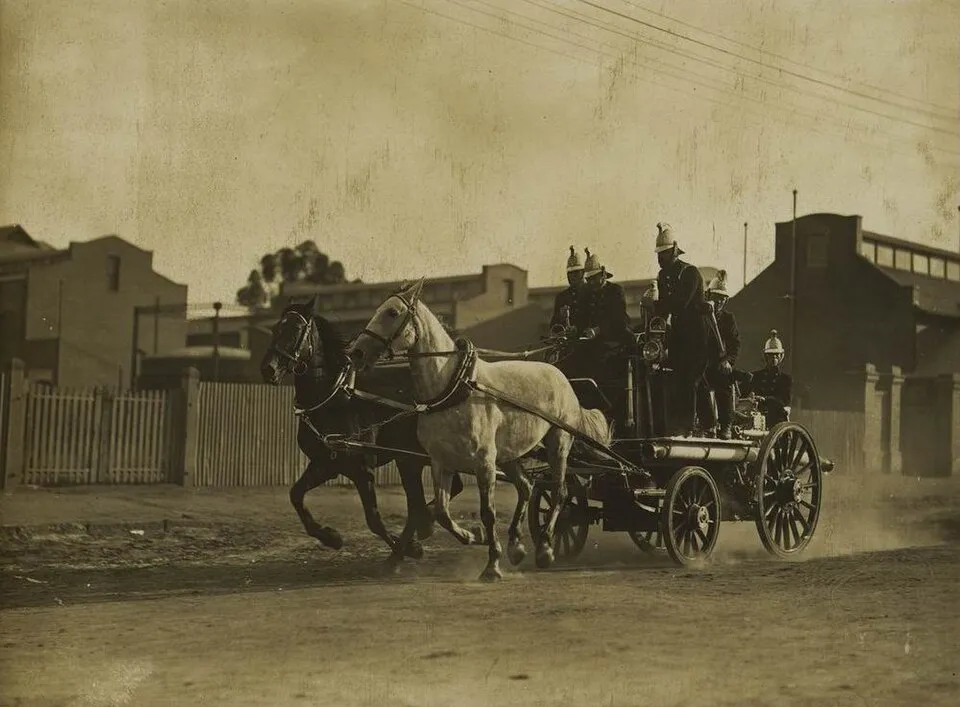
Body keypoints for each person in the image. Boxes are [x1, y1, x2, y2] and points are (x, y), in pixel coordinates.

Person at [641, 222, 711, 437]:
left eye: (664, 253)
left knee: (690, 380)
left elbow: (679, 303)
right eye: (658, 254)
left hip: (697, 336)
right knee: (673, 378)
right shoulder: (663, 277)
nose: (660, 258)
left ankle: (690, 426)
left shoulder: (690, 273)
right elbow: (663, 312)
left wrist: (655, 305)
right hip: (678, 336)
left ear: (675, 250)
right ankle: (683, 424)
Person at [574, 248, 634, 421]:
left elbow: (618, 321)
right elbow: (581, 318)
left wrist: (598, 330)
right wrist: (576, 329)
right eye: (589, 279)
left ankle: (606, 409)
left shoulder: (616, 291)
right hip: (592, 343)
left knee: (602, 364)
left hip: (615, 341)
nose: (591, 283)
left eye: (594, 279)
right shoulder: (585, 293)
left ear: (603, 274)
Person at [696, 270, 741, 439]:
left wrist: (728, 361)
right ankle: (708, 424)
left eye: (723, 298)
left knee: (724, 384)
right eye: (716, 296)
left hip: (721, 364)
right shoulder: (700, 318)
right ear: (709, 295)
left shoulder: (728, 319)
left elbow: (735, 344)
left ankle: (726, 425)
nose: (720, 301)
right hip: (703, 364)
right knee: (696, 383)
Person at [742, 329, 793, 428]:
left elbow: (784, 401)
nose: (774, 358)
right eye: (770, 355)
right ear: (765, 356)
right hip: (756, 415)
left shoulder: (785, 379)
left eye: (776, 355)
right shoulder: (755, 376)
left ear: (781, 356)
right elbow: (743, 395)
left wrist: (765, 399)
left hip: (776, 420)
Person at [550, 246, 585, 333]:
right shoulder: (562, 297)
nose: (572, 276)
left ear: (583, 273)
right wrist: (560, 317)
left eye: (576, 272)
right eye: (570, 273)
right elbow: (553, 328)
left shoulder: (592, 293)